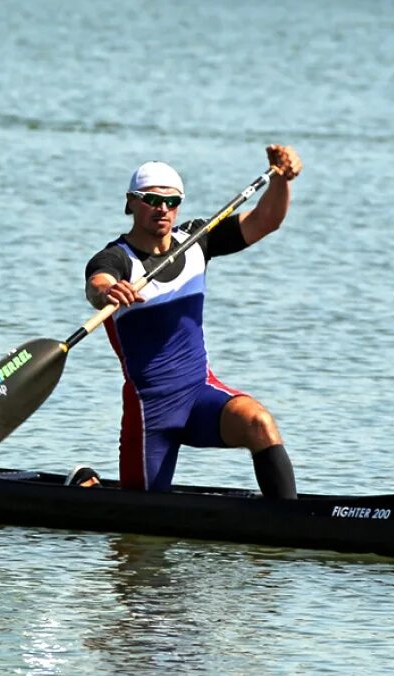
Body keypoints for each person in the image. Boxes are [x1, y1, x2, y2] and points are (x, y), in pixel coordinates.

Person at [81, 144, 302, 499]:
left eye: (171, 201)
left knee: (259, 422)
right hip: (149, 411)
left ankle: (291, 523)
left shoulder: (197, 241)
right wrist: (108, 291)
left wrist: (281, 179)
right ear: (130, 203)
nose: (162, 209)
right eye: (151, 200)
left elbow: (266, 220)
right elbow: (97, 283)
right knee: (141, 517)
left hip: (200, 395)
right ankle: (85, 487)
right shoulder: (116, 260)